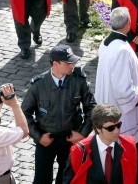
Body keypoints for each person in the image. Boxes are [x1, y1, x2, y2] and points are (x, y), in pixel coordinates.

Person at [22, 45, 96, 184]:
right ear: (55, 64)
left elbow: (91, 107)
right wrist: (38, 137)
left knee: (67, 179)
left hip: (70, 139)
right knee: (42, 180)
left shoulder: (79, 80)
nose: (73, 65)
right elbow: (24, 113)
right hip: (46, 139)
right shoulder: (38, 85)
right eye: (68, 63)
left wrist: (83, 133)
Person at [95, 8, 138, 165]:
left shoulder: (107, 42)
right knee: (128, 154)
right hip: (123, 113)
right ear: (128, 23)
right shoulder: (121, 50)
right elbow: (122, 88)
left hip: (108, 103)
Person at [66, 104, 138, 184]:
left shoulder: (129, 145)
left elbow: (136, 178)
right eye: (111, 128)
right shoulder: (79, 151)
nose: (116, 131)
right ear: (98, 128)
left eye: (118, 125)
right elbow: (68, 180)